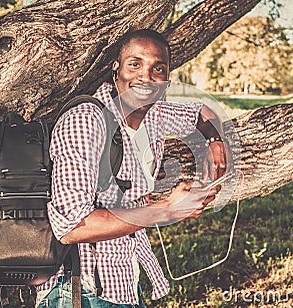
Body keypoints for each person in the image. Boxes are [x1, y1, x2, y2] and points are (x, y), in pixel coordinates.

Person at [36, 29, 230, 307]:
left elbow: (202, 113)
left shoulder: (154, 116)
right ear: (116, 70)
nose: (145, 77)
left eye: (157, 69)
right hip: (81, 291)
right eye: (135, 64)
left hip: (125, 282)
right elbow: (72, 227)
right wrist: (168, 210)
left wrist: (215, 142)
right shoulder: (85, 122)